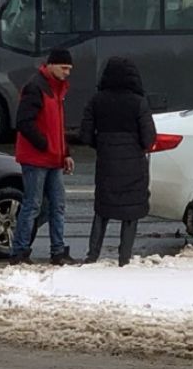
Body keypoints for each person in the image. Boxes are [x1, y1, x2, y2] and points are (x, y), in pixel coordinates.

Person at [79, 56, 156, 266]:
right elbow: (149, 138)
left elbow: (84, 135)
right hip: (134, 166)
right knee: (130, 212)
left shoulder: (96, 100)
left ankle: (93, 254)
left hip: (106, 163)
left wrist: (103, 144)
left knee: (102, 209)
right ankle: (124, 257)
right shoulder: (138, 102)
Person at [10, 48, 79, 266]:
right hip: (37, 158)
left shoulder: (54, 88)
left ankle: (56, 251)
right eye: (64, 68)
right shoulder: (37, 87)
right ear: (51, 65)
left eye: (69, 69)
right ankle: (21, 251)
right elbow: (23, 122)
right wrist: (46, 145)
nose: (67, 73)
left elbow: (57, 126)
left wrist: (64, 152)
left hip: (51, 158)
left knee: (54, 206)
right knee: (34, 205)